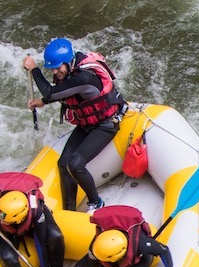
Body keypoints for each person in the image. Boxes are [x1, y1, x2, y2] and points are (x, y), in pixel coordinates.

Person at [23, 38, 126, 213]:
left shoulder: (83, 77)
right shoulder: (69, 71)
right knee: (63, 163)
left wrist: (34, 69)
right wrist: (42, 102)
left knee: (76, 164)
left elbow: (50, 92)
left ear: (68, 62)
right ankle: (68, 209)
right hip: (87, 124)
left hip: (105, 125)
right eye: (53, 68)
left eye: (58, 67)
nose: (56, 72)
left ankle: (96, 203)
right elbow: (62, 93)